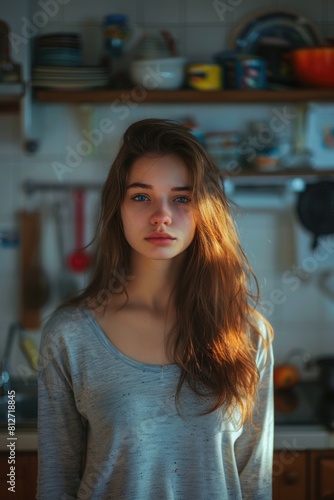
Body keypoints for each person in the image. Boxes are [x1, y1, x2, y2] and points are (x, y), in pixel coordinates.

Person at [37, 118, 274, 500]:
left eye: (182, 197)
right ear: (118, 208)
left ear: (204, 211)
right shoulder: (70, 335)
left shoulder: (247, 335)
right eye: (141, 196)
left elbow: (255, 484)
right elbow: (54, 484)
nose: (161, 215)